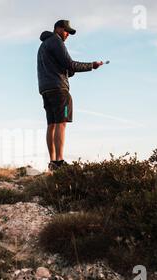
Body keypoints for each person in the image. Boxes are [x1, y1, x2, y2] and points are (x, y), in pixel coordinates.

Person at [37, 20, 103, 171]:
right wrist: (92, 65)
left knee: (51, 124)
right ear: (58, 29)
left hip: (45, 89)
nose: (67, 34)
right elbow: (70, 64)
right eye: (66, 31)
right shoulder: (56, 41)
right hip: (59, 90)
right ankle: (59, 161)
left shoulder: (43, 45)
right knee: (61, 123)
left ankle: (52, 162)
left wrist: (69, 71)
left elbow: (63, 67)